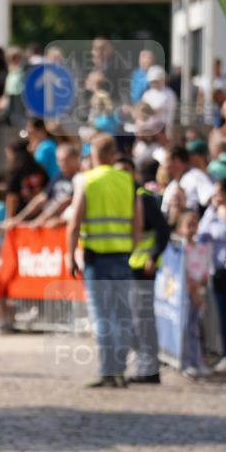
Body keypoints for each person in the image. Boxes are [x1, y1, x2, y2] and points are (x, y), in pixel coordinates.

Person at [67, 133, 142, 388]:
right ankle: (119, 369)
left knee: (101, 317)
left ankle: (107, 370)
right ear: (113, 155)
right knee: (121, 315)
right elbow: (138, 221)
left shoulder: (87, 180)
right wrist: (131, 248)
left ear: (94, 155)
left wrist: (70, 256)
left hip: (96, 259)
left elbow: (74, 223)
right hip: (122, 257)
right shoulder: (127, 180)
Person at [115, 155, 171, 384]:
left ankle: (150, 370)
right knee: (129, 321)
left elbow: (163, 230)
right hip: (127, 266)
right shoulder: (121, 196)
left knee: (143, 321)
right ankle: (144, 365)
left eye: (125, 171)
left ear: (134, 173)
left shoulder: (143, 197)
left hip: (143, 268)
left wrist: (153, 256)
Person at [196, 177, 226, 372]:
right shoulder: (212, 214)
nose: (216, 197)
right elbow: (201, 237)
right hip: (220, 272)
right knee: (225, 313)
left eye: (219, 193)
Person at [177, 208, 212, 378]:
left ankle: (197, 361)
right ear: (180, 228)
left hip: (198, 294)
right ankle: (186, 362)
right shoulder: (179, 250)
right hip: (185, 296)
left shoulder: (201, 248)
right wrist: (194, 291)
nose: (192, 229)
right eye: (188, 225)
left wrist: (199, 289)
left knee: (196, 329)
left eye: (194, 225)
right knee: (185, 328)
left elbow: (204, 272)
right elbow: (184, 274)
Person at [161, 146, 214, 216]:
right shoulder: (171, 186)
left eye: (166, 161)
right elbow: (164, 213)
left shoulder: (196, 176)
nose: (164, 166)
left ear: (177, 161)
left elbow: (211, 199)